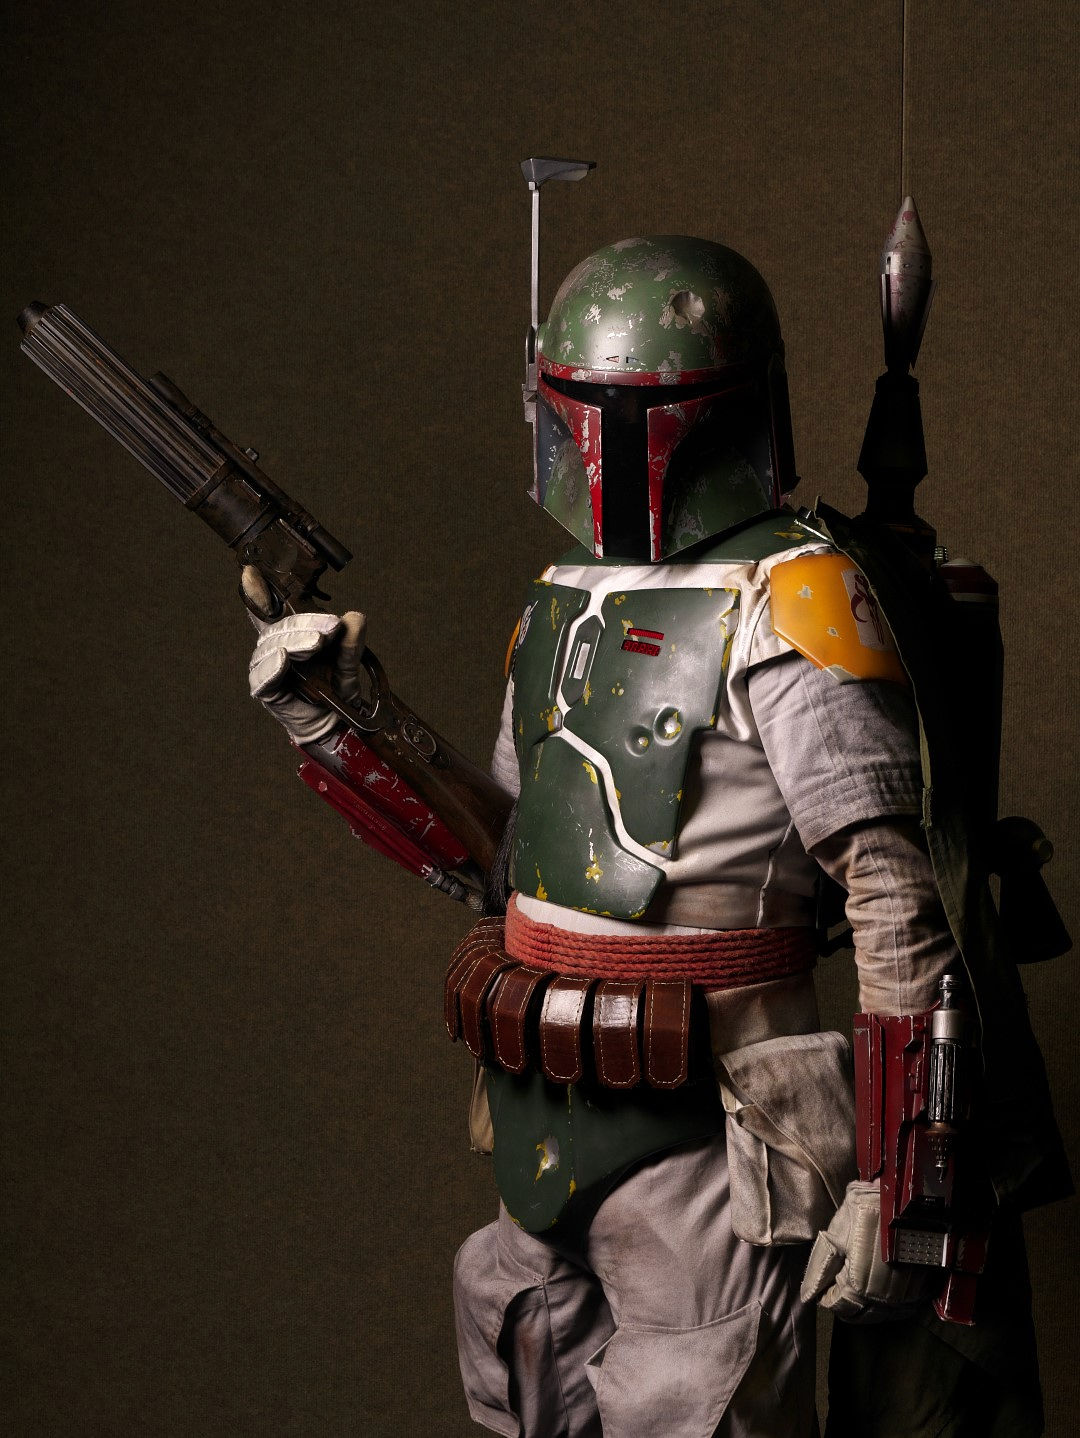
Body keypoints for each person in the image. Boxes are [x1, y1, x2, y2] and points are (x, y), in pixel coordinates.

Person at [247, 235, 1067, 1436]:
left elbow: (902, 901)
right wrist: (344, 719)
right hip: (533, 1116)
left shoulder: (792, 599)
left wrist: (899, 1183)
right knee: (525, 1380)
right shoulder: (562, 597)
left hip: (711, 1138)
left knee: (701, 1401)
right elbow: (509, 864)